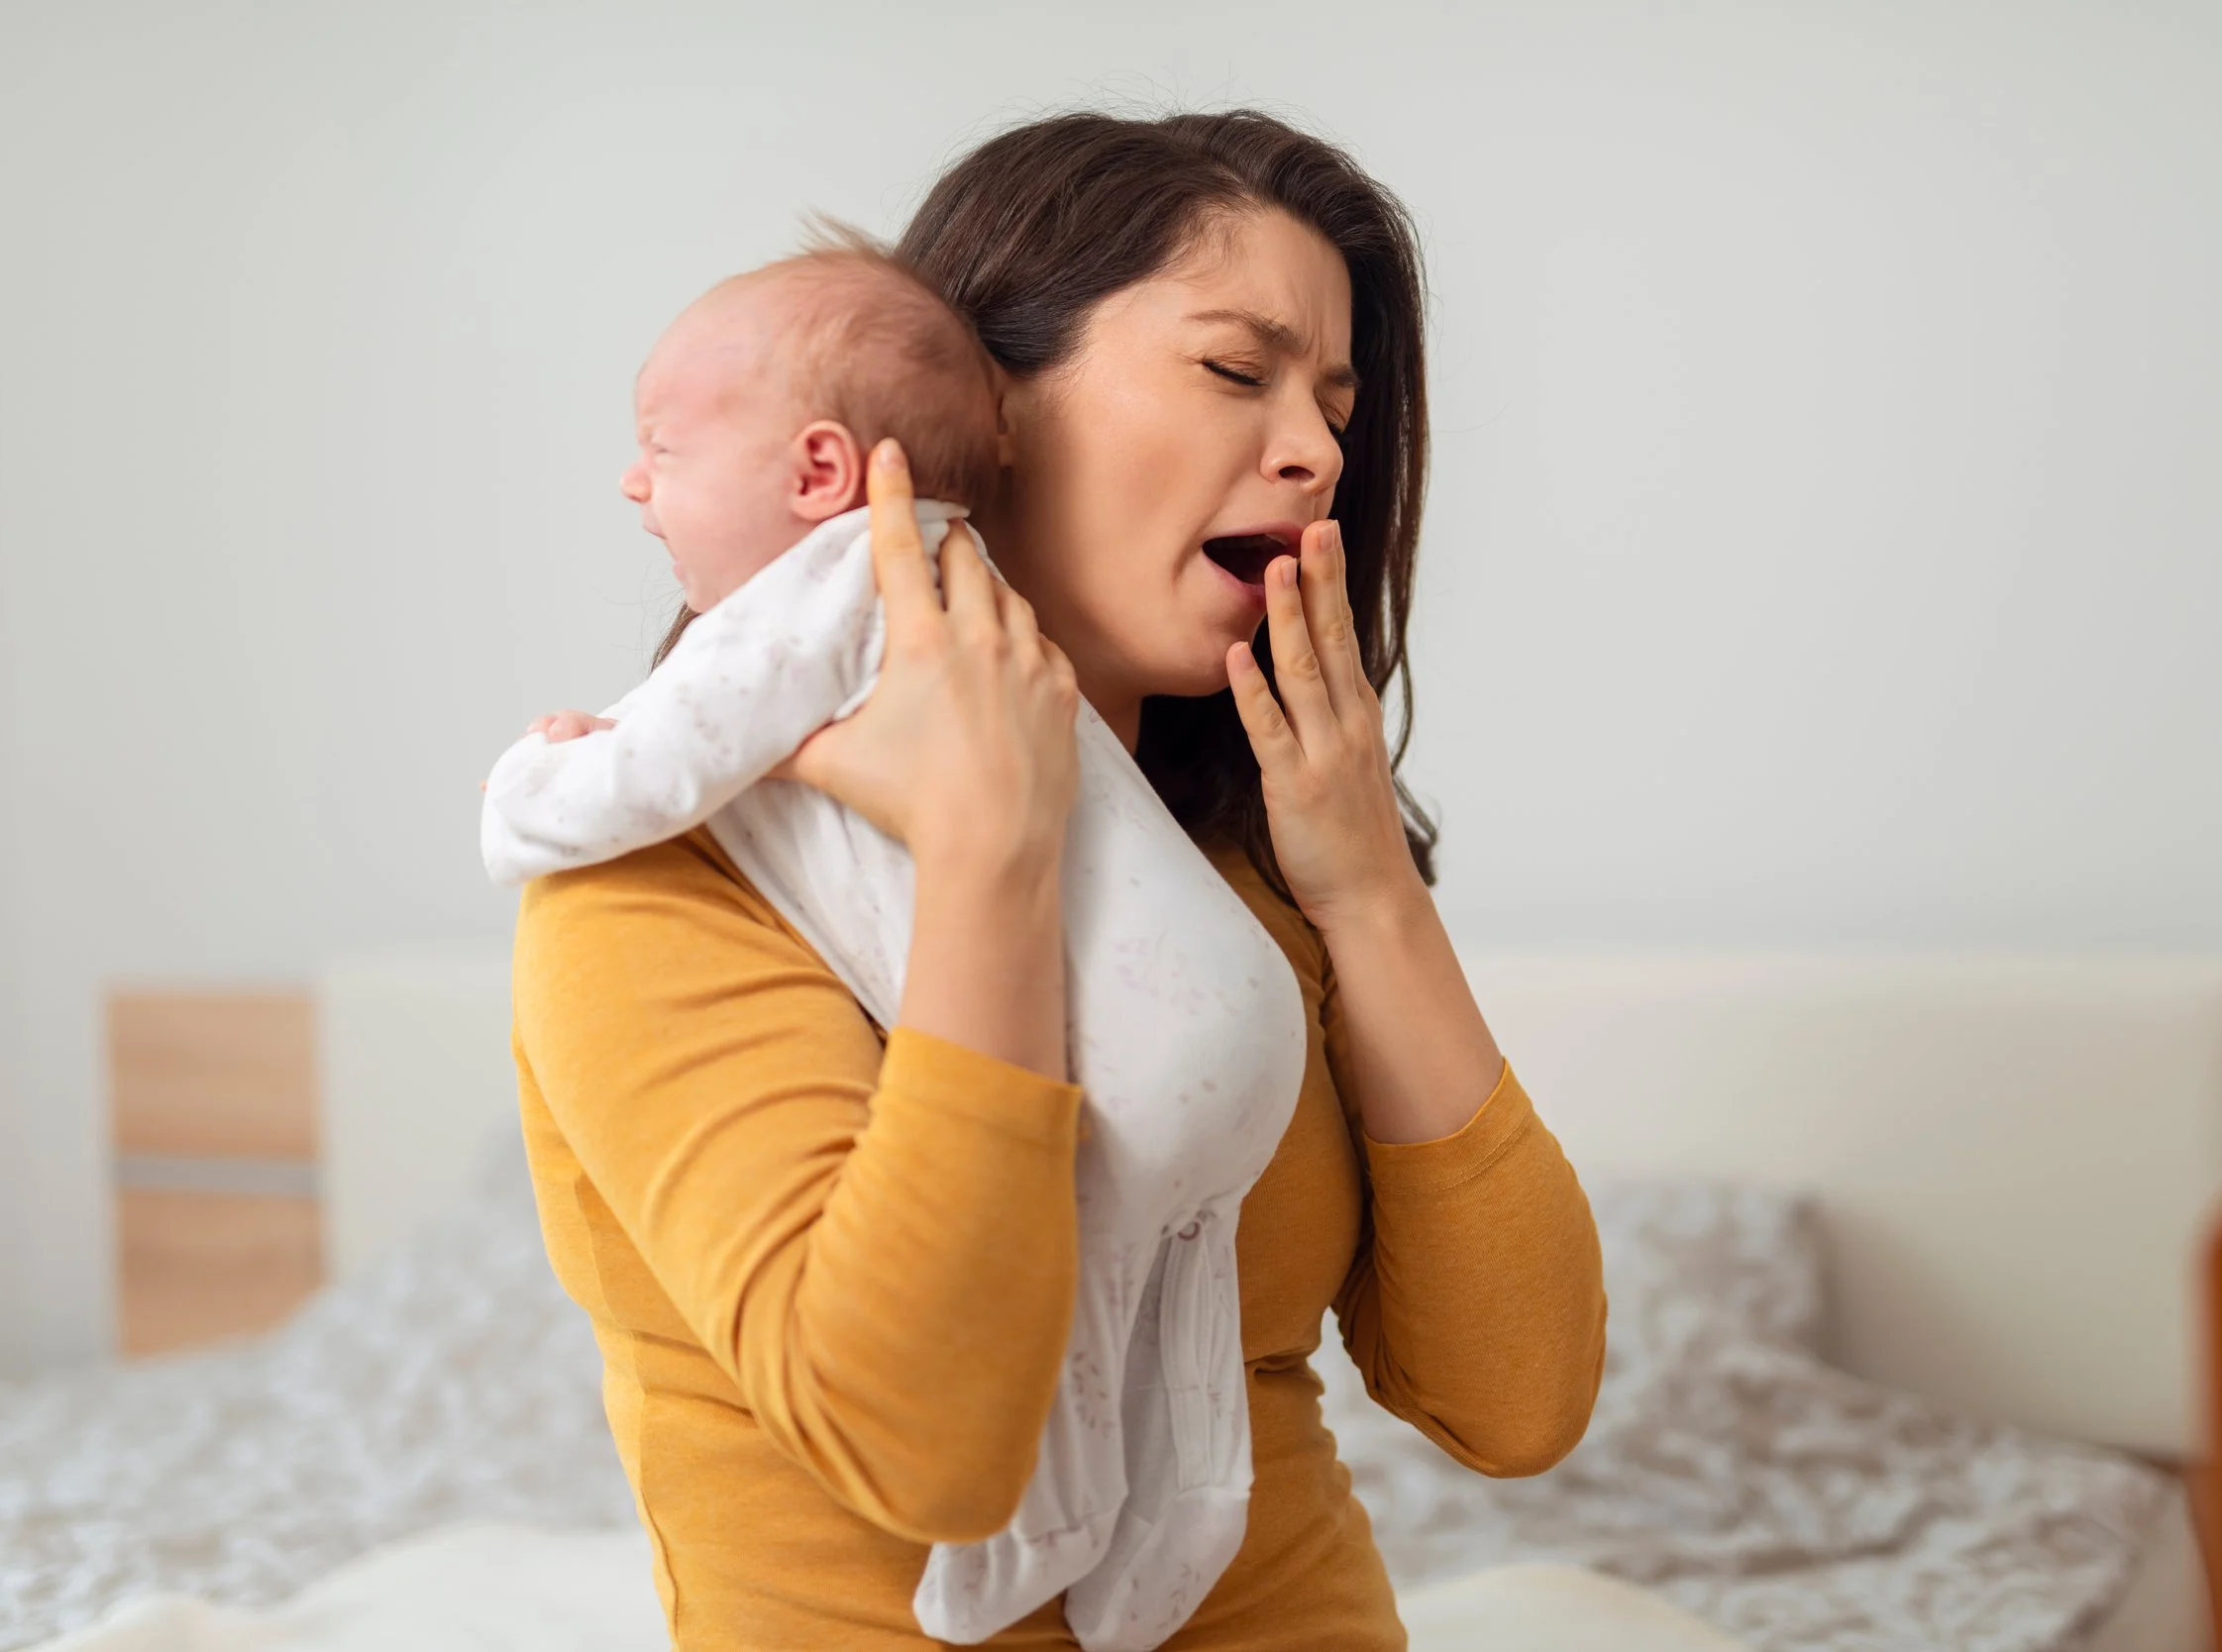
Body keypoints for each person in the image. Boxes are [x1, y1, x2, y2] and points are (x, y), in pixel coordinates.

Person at [509, 107, 1609, 1651]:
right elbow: (926, 1448)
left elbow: (1522, 1400)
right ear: (987, 399)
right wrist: (986, 859)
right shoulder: (668, 884)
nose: (1315, 453)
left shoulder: (1252, 876)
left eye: (1336, 408)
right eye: (1238, 371)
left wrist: (1369, 891)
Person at [481, 236, 1317, 1647]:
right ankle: (1176, 1524)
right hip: (1236, 1017)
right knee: (1175, 1333)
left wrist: (547, 770)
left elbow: (668, 755)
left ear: (820, 472)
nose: (637, 481)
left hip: (1137, 1052)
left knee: (1087, 1337)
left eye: (663, 447)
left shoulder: (838, 591)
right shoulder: (966, 595)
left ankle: (1048, 1537)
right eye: (1235, 371)